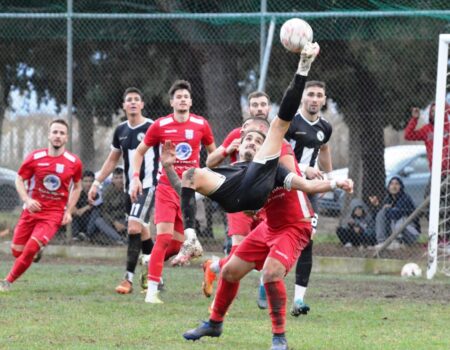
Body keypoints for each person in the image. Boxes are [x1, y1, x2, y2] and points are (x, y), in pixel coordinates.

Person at [130, 79, 216, 304]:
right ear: (171, 102)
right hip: (166, 189)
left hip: (188, 192)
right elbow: (139, 152)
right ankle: (152, 292)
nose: (183, 100)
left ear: (191, 101)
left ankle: (149, 261)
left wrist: (212, 176)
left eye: (186, 97)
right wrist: (135, 178)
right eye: (178, 97)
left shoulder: (201, 124)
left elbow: (213, 154)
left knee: (177, 246)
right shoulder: (160, 125)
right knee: (164, 237)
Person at [201, 91, 272, 300]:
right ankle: (220, 304)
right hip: (238, 198)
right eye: (255, 105)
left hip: (264, 200)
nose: (259, 108)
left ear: (268, 109)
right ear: (249, 109)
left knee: (267, 247)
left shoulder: (275, 136)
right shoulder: (237, 134)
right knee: (239, 248)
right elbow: (209, 161)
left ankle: (213, 266)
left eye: (263, 105)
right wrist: (226, 150)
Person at [88, 87, 158, 294]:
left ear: (142, 104)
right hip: (130, 189)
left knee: (134, 228)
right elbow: (112, 160)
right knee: (142, 230)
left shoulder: (152, 127)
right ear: (124, 105)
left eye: (137, 99)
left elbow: (164, 154)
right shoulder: (121, 130)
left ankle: (128, 279)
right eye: (129, 100)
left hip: (148, 186)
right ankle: (154, 275)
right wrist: (97, 182)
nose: (133, 103)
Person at [0, 119, 83, 292]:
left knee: (30, 249)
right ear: (49, 135)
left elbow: (78, 186)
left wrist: (68, 210)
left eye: (61, 133)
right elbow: (19, 179)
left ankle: (7, 281)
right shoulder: (35, 157)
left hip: (53, 214)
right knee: (17, 251)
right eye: (55, 132)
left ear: (66, 138)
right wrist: (27, 200)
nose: (58, 136)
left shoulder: (73, 162)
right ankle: (36, 251)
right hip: (31, 211)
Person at [284, 80, 332, 316]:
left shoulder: (325, 127)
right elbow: (278, 155)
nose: (314, 99)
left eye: (319, 95)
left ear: (324, 99)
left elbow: (323, 148)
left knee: (307, 239)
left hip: (309, 191)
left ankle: (298, 301)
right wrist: (304, 168)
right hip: (284, 186)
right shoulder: (290, 123)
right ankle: (265, 281)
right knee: (272, 237)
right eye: (310, 94)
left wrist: (328, 178)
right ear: (302, 98)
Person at [371, 176, 421, 249]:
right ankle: (382, 242)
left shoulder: (405, 198)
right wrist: (377, 206)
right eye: (391, 184)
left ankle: (398, 242)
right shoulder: (388, 199)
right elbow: (379, 217)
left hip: (410, 233)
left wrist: (387, 209)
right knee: (382, 213)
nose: (394, 186)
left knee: (401, 219)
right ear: (388, 187)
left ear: (401, 187)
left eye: (397, 184)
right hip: (393, 233)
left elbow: (396, 215)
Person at [92, 167, 128, 245]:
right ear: (112, 180)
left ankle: (115, 239)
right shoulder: (107, 192)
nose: (119, 180)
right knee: (98, 221)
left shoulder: (129, 190)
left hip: (125, 220)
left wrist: (124, 223)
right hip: (112, 221)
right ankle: (121, 239)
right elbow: (104, 212)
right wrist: (115, 223)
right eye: (116, 178)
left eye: (121, 177)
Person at [72, 170, 101, 242]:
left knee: (96, 211)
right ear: (81, 182)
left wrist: (83, 209)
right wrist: (85, 208)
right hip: (79, 220)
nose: (88, 184)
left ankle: (88, 235)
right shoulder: (77, 193)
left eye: (91, 181)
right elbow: (74, 209)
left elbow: (96, 204)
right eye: (86, 181)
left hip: (91, 222)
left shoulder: (96, 193)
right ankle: (76, 235)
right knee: (71, 213)